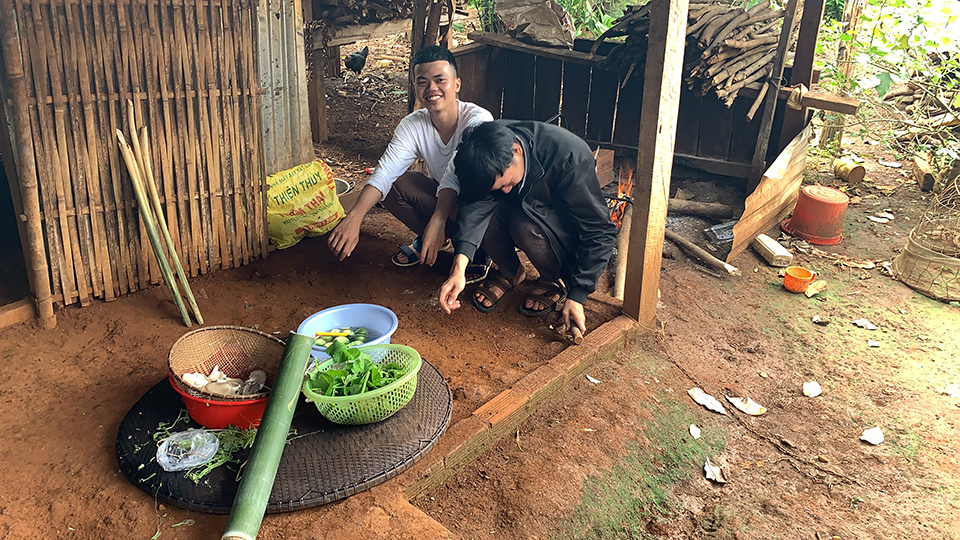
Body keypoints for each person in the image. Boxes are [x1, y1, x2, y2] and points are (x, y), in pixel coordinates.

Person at [326, 45, 494, 283]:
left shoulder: (478, 120)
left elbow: (455, 174)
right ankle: (433, 236)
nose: (431, 88)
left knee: (468, 202)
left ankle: (477, 249)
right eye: (422, 82)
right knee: (394, 183)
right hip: (446, 203)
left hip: (480, 210)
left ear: (457, 84)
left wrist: (438, 219)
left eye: (440, 80)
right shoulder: (413, 124)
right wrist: (354, 217)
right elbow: (385, 172)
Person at [438, 120, 617, 336]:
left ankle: (553, 279)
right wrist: (459, 268)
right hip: (520, 212)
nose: (506, 191)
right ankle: (511, 272)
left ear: (517, 151)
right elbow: (475, 207)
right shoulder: (485, 149)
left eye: (507, 183)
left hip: (559, 232)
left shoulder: (570, 157)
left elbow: (600, 232)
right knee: (485, 214)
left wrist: (578, 294)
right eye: (498, 187)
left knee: (523, 224)